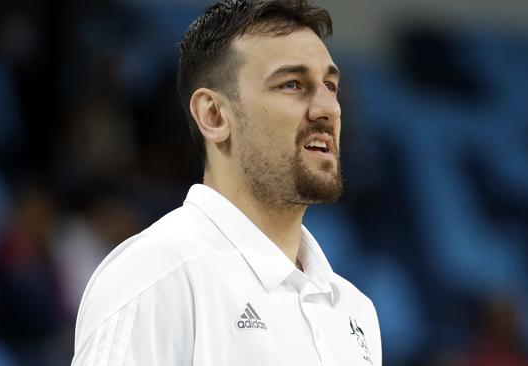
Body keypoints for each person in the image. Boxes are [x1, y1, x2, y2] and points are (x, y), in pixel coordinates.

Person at [71, 0, 381, 365]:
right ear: (214, 115)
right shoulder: (157, 275)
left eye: (330, 84)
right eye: (292, 84)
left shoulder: (354, 310)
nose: (328, 107)